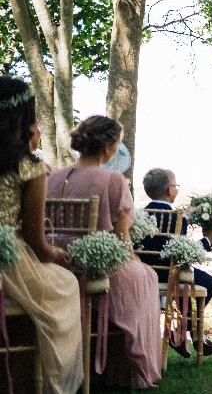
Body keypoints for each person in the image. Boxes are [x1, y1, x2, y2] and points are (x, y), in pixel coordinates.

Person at [46, 115, 161, 388]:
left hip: (53, 261)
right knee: (147, 277)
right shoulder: (112, 179)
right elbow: (122, 241)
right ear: (108, 148)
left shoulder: (53, 176)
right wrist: (135, 260)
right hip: (94, 263)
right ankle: (130, 361)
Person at [0, 77, 83, 393]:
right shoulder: (30, 167)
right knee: (66, 285)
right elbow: (36, 241)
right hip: (7, 256)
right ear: (22, 120)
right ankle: (57, 383)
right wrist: (55, 254)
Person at [141, 167, 212, 357]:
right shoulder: (176, 218)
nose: (177, 189)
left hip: (144, 272)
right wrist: (208, 239)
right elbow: (182, 255)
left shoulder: (140, 214)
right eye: (176, 185)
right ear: (169, 190)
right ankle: (189, 333)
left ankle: (186, 333)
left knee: (186, 279)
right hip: (169, 275)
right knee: (210, 283)